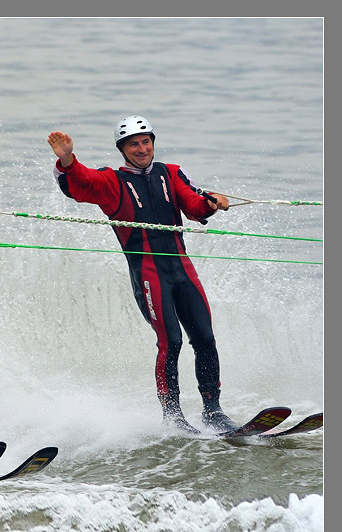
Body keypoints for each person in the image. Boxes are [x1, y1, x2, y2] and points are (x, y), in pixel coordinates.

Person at [47, 116, 235, 432]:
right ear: (122, 149)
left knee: (204, 337)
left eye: (145, 141)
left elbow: (193, 205)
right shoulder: (112, 182)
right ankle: (173, 417)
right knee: (171, 341)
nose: (141, 148)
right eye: (133, 144)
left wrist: (210, 204)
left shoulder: (171, 173)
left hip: (183, 271)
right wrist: (67, 158)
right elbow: (80, 183)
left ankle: (213, 411)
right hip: (149, 276)